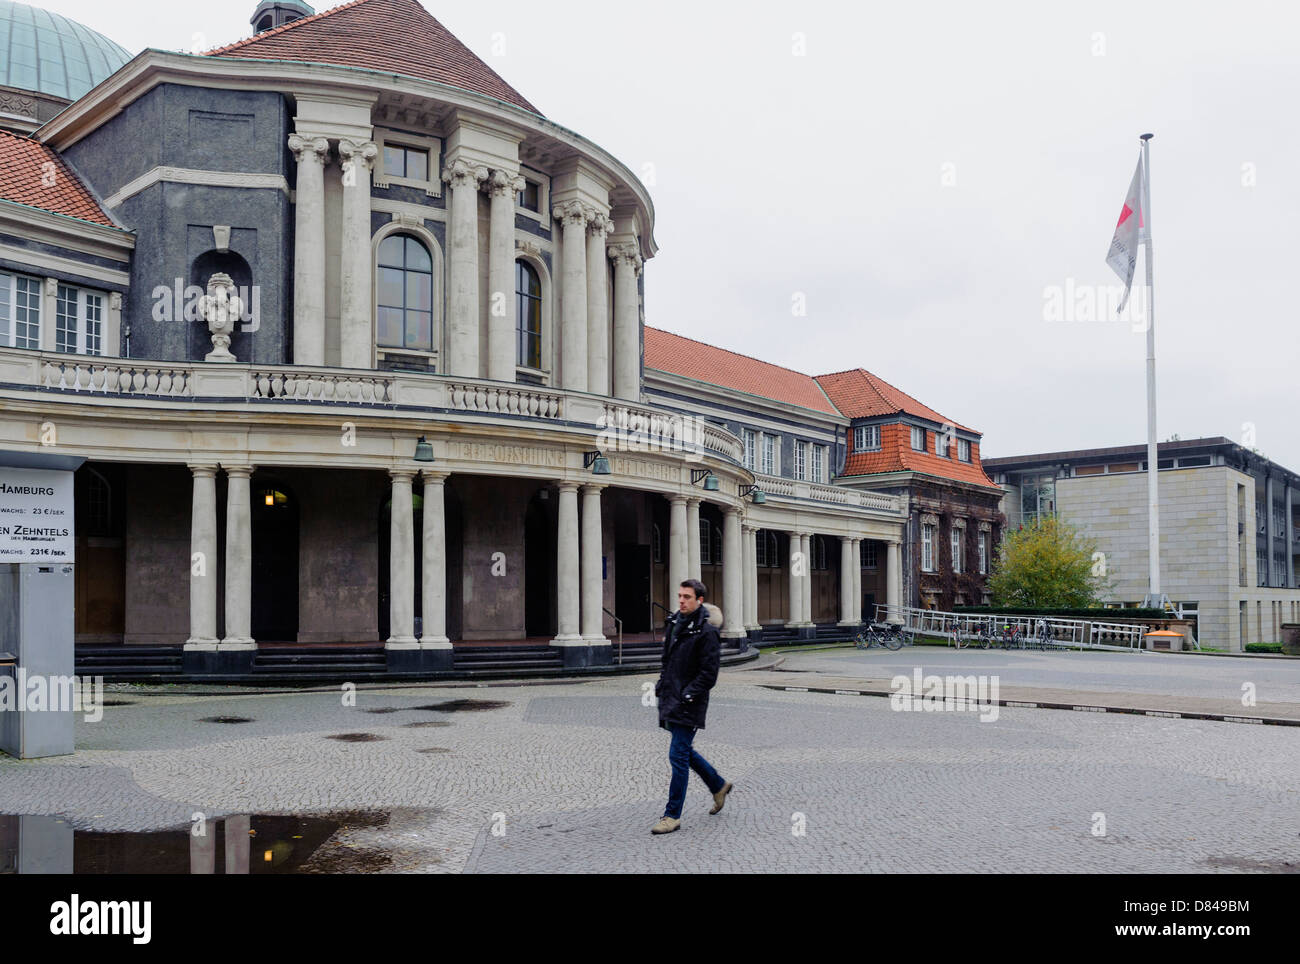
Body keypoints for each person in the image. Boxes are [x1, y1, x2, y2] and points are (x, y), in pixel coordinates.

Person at [650, 578, 733, 835]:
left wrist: (688, 695)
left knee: (677, 755)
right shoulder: (675, 623)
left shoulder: (706, 632)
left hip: (689, 703)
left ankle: (672, 815)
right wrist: (662, 685)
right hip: (671, 697)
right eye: (679, 596)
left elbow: (709, 674)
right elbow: (667, 661)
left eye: (687, 597)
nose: (681, 601)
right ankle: (717, 784)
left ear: (699, 601)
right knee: (684, 751)